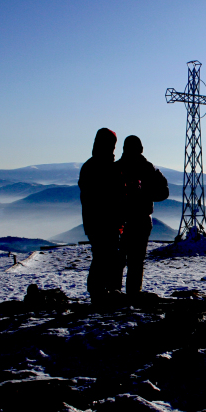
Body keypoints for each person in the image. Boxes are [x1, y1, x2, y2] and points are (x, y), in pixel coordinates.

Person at [117, 135, 169, 296]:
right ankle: (132, 293)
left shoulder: (117, 167)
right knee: (136, 261)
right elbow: (163, 192)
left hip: (119, 220)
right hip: (139, 220)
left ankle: (114, 292)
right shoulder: (147, 169)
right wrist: (145, 194)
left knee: (118, 259)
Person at [78, 128, 122, 301]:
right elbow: (106, 196)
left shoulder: (92, 166)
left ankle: (103, 290)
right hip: (104, 221)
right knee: (104, 256)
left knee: (106, 256)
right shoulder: (103, 167)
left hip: (97, 221)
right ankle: (99, 291)